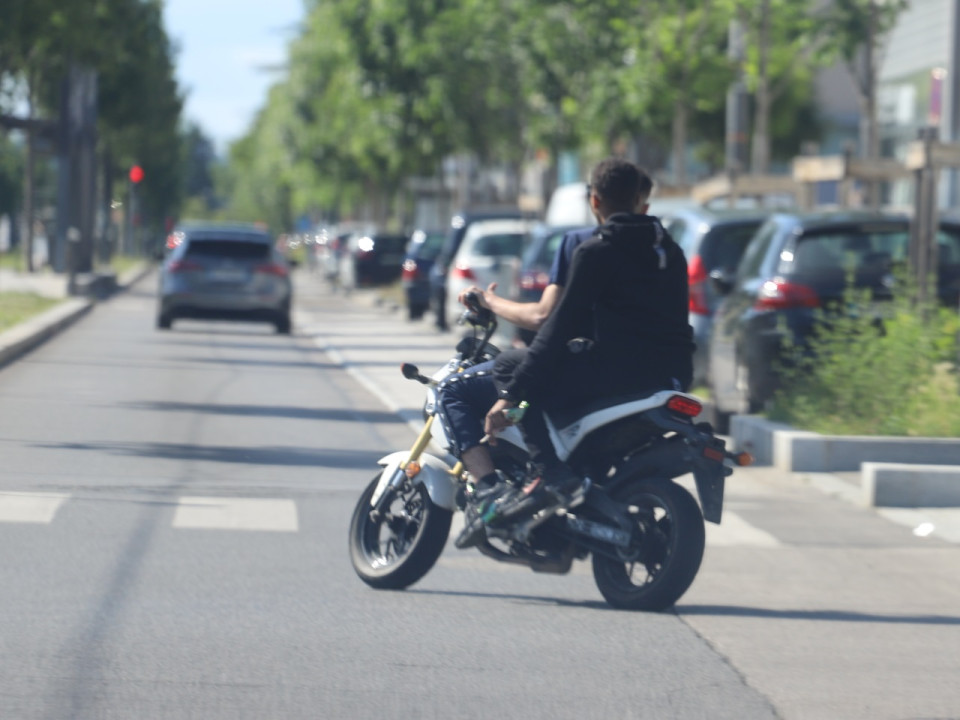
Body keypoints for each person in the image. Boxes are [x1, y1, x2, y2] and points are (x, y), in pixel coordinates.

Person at [437, 158, 694, 548]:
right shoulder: (671, 252)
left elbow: (555, 329)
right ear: (641, 202)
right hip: (673, 376)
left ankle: (548, 473)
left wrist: (509, 396)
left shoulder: (594, 251)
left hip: (616, 375)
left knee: (508, 364)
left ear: (595, 200)